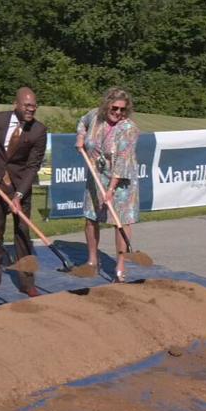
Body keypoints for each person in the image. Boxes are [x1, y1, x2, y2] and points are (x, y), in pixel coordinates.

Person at [0, 87, 47, 297]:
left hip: (21, 187)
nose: (31, 109)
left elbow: (33, 166)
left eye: (34, 106)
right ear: (16, 104)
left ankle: (27, 283)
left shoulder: (39, 131)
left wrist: (19, 195)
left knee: (22, 233)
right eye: (27, 105)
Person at [75, 87, 140, 282]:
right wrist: (80, 138)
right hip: (96, 175)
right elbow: (82, 122)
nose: (118, 112)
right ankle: (92, 261)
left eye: (122, 109)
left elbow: (122, 162)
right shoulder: (95, 116)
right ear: (107, 105)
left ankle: (120, 266)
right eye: (114, 108)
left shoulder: (128, 129)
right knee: (91, 218)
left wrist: (111, 189)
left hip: (121, 182)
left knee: (120, 222)